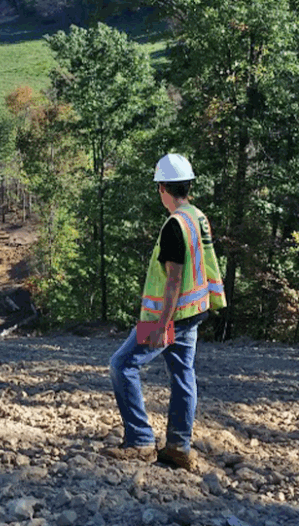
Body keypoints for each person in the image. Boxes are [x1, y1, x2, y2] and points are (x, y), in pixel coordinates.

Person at [106, 154, 226, 470]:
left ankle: (141, 441)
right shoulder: (197, 216)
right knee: (183, 374)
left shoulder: (175, 225)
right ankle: (177, 447)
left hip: (171, 317)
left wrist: (162, 324)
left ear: (162, 188)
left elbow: (174, 278)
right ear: (188, 186)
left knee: (122, 364)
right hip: (195, 311)